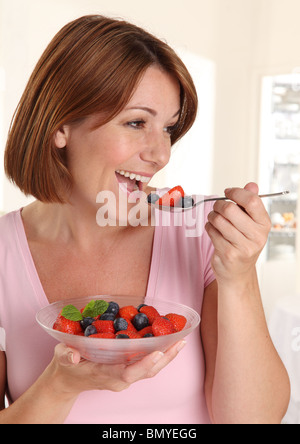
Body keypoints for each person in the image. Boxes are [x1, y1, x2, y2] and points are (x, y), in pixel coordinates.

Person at [0, 15, 290, 424]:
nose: (161, 154)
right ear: (61, 125)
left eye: (168, 128)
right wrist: (60, 385)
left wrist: (238, 276)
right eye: (137, 122)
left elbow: (252, 420)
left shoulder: (198, 231)